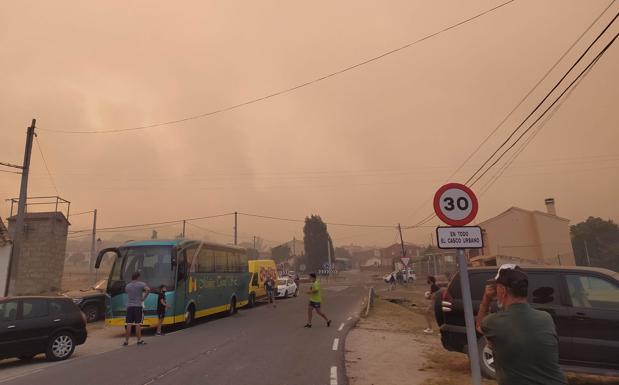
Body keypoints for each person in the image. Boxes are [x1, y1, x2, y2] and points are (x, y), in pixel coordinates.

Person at [476, 264, 567, 385]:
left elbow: (480, 326)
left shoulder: (494, 323)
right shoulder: (546, 318)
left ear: (502, 290)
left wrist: (486, 298)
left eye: (496, 287)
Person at [124, 271, 150, 346]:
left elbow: (127, 292)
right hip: (138, 306)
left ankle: (126, 341)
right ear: (138, 277)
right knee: (138, 324)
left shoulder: (128, 286)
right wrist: (143, 298)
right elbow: (148, 289)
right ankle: (139, 340)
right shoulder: (141, 284)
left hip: (129, 307)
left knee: (128, 324)